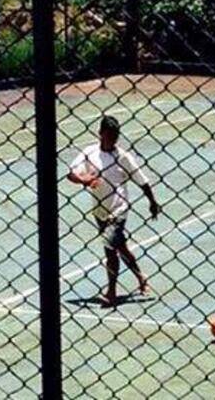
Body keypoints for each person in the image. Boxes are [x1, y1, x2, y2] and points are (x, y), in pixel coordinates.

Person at [66, 114, 161, 307]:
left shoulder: (123, 157)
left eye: (115, 136)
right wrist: (83, 180)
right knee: (120, 246)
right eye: (109, 135)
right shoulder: (89, 152)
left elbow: (142, 180)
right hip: (100, 210)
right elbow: (71, 173)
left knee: (110, 249)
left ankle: (111, 293)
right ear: (100, 133)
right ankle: (141, 277)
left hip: (119, 209)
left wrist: (152, 202)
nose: (112, 140)